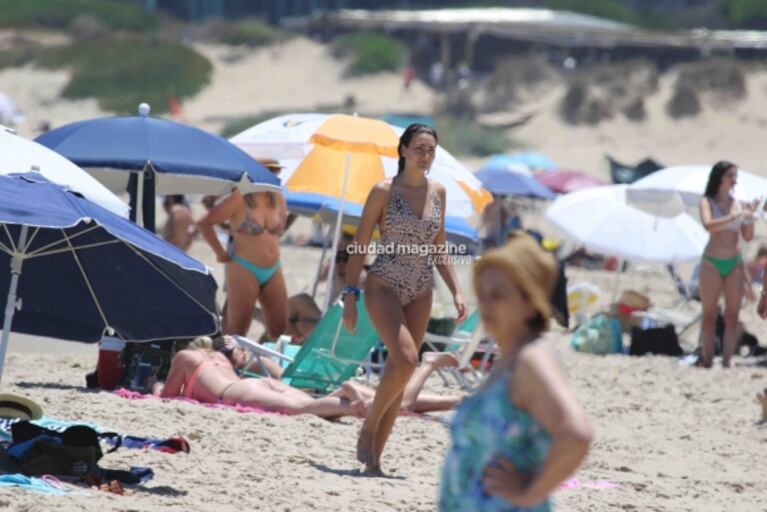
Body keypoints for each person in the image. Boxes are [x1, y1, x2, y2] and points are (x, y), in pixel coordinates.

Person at [342, 123, 467, 475]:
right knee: (408, 359)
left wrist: (456, 290)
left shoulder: (438, 192)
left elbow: (439, 248)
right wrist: (350, 296)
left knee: (399, 374)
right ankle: (367, 427)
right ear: (403, 150)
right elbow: (360, 245)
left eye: (431, 150)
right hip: (383, 283)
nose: (425, 155)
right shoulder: (384, 191)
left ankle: (374, 463)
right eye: (419, 148)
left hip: (421, 288)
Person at [440, 232, 593, 511]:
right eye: (482, 294)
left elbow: (577, 433)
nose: (486, 304)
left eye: (497, 295)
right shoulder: (511, 358)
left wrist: (529, 493)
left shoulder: (531, 358)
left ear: (530, 302)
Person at [151, 336, 365, 418]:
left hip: (234, 392)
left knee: (303, 410)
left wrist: (155, 384)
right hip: (256, 383)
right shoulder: (221, 362)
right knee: (314, 405)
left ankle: (354, 402)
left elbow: (167, 397)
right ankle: (359, 398)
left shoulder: (186, 357)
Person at [197, 161, 289, 338]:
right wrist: (220, 253)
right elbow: (204, 223)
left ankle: (265, 363)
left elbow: (281, 225)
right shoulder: (240, 197)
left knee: (280, 328)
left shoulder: (277, 196)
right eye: (270, 170)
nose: (274, 174)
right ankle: (227, 363)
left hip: (273, 268)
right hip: (244, 267)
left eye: (276, 170)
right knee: (238, 331)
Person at [698, 161, 759, 368]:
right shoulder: (708, 201)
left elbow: (748, 237)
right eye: (730, 175)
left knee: (732, 315)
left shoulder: (739, 203)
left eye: (735, 176)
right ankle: (707, 359)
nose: (734, 180)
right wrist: (734, 216)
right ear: (720, 177)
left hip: (733, 261)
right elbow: (709, 226)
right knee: (709, 315)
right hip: (712, 260)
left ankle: (726, 360)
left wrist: (749, 218)